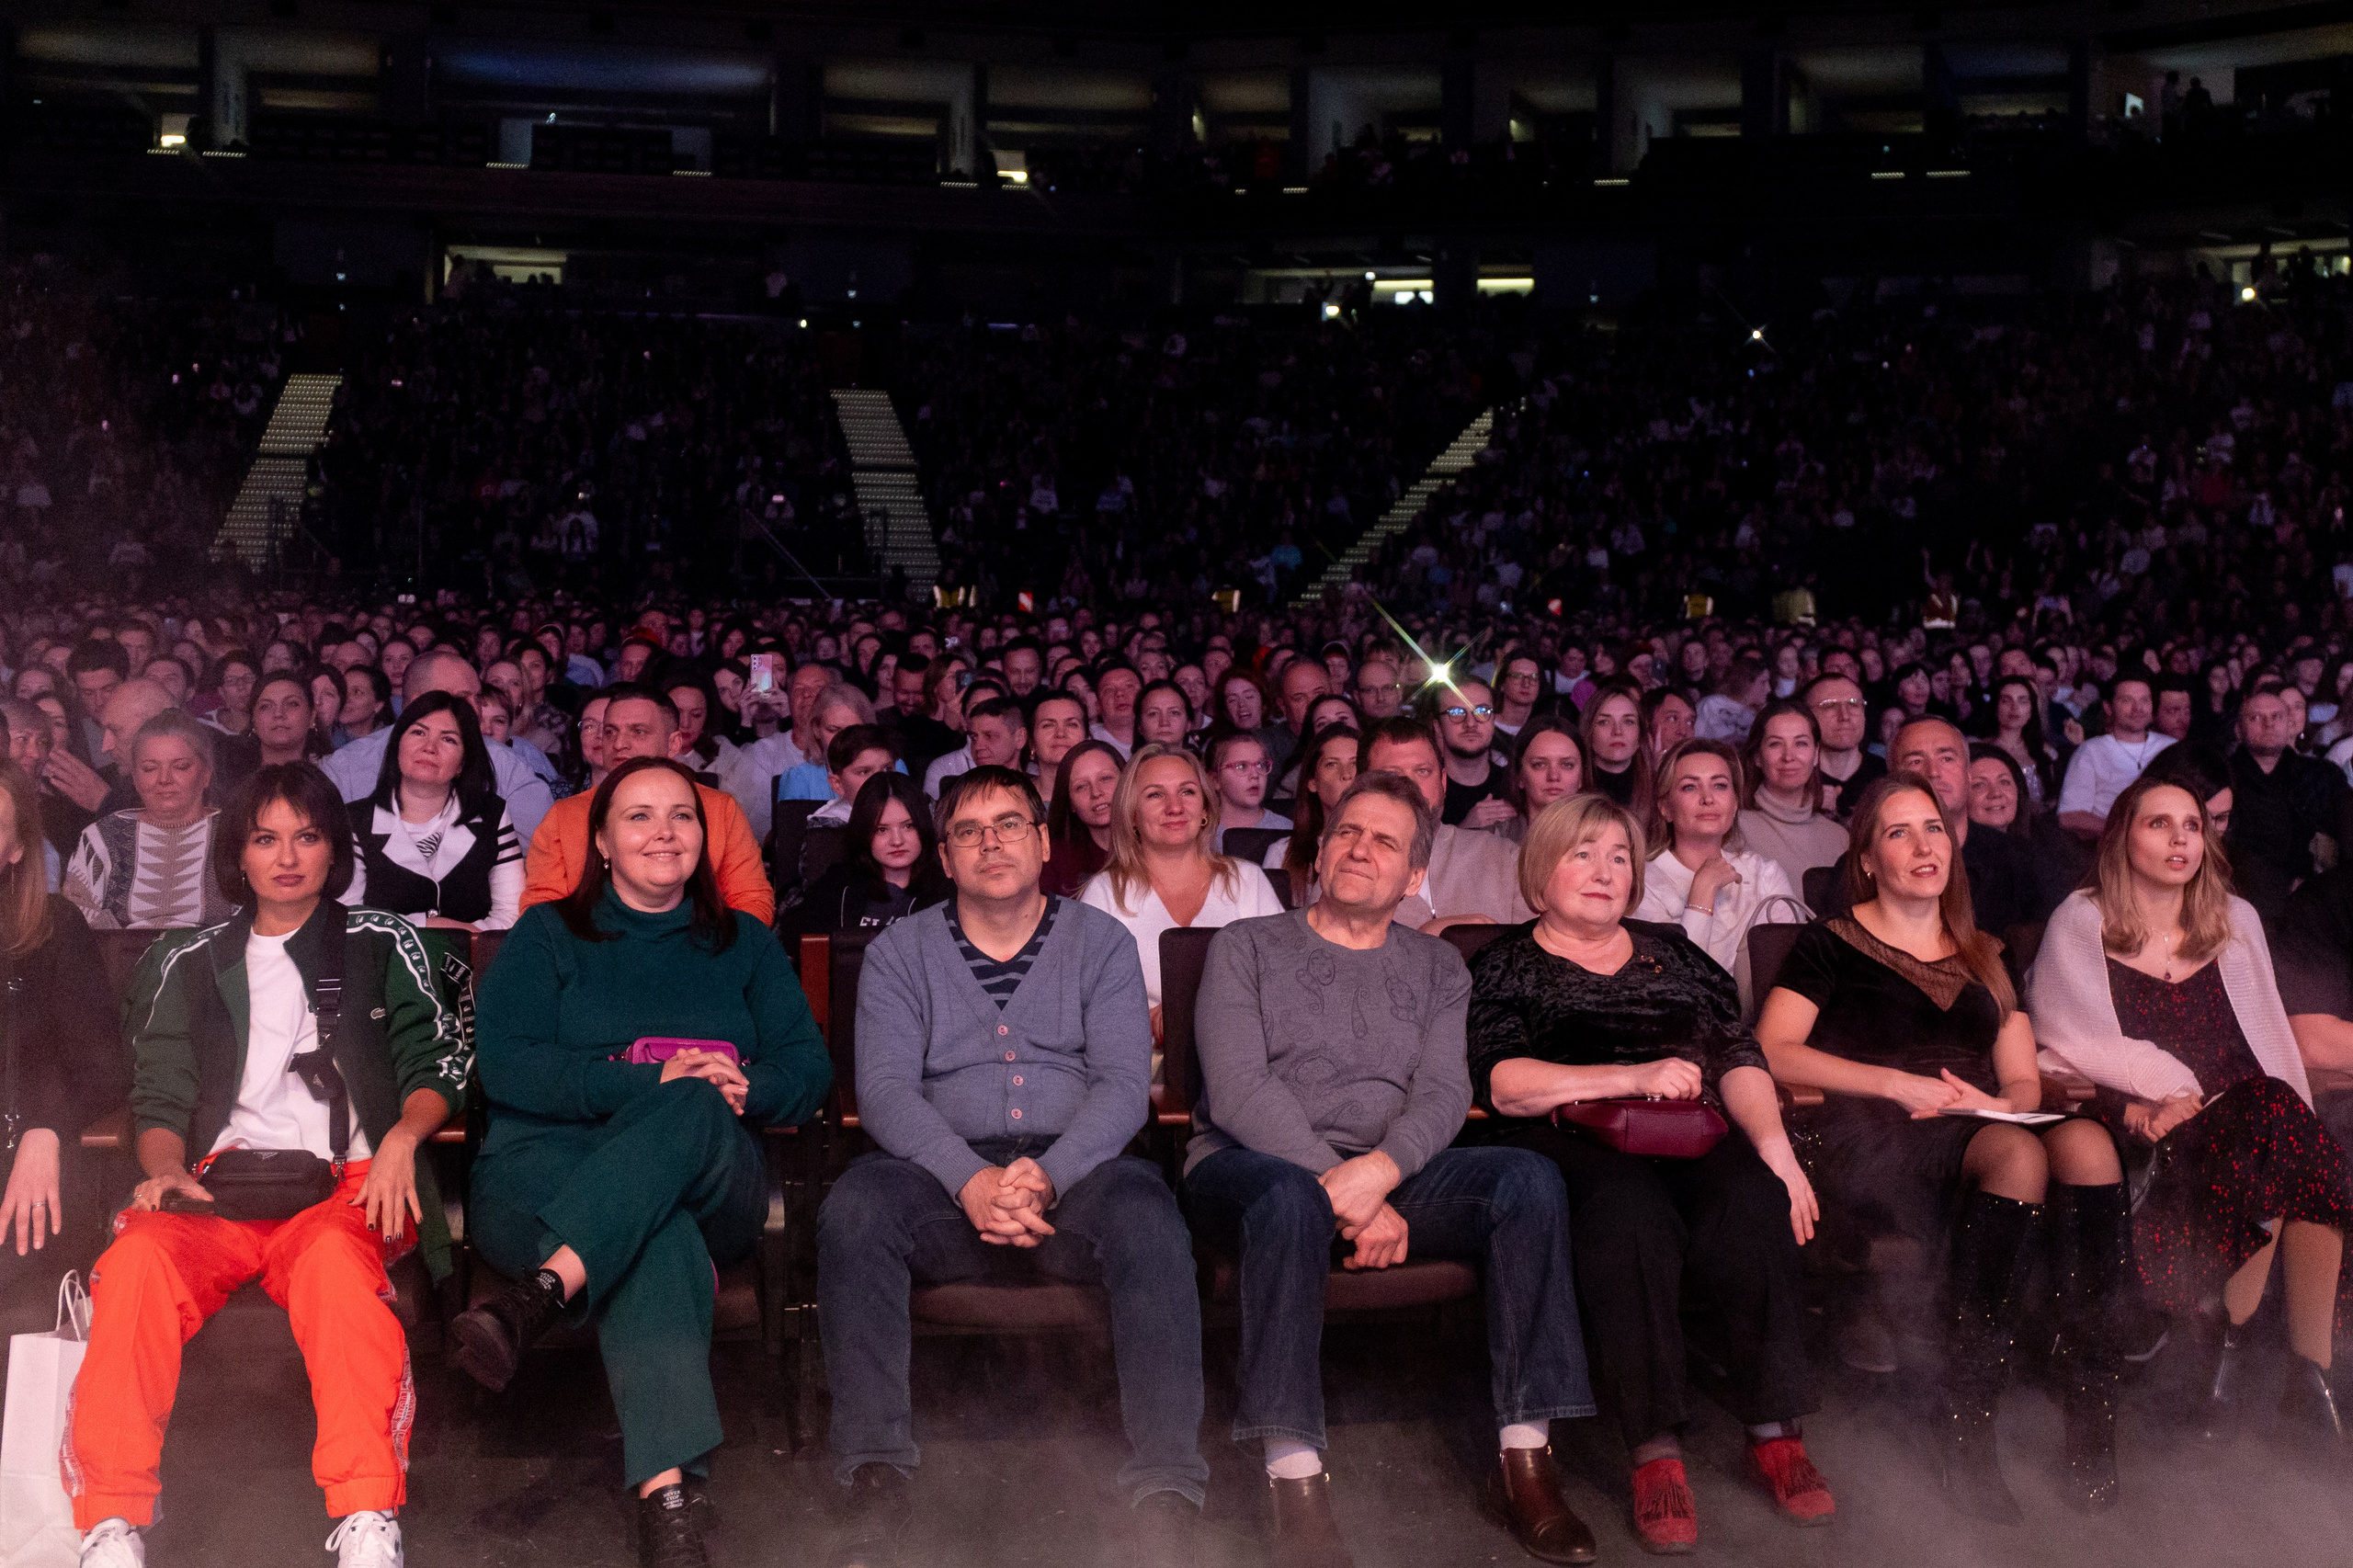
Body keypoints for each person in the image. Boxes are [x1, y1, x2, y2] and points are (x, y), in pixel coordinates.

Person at [1183, 773, 1597, 1568]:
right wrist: (1344, 1191)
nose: (1359, 849)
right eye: (1347, 832)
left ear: (1413, 878)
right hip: (1252, 1169)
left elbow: (1445, 1091)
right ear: (1320, 848)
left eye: (1384, 841)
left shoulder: (1440, 969)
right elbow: (1237, 1092)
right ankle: (1293, 1476)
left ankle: (1524, 1460)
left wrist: (1378, 1174)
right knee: (1287, 1199)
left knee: (1527, 1182)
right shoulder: (1247, 946)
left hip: (1387, 1174)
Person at [68, 764, 466, 1568]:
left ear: (333, 850)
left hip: (349, 1184)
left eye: (308, 837)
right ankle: (111, 1521)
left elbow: (442, 1063)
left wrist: (399, 1141)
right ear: (237, 856)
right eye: (264, 838)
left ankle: (365, 1513)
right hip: (217, 1187)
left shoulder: (383, 942)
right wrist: (165, 1165)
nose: (287, 857)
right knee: (136, 1260)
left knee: (332, 1269)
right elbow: (160, 1093)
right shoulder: (191, 957)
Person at [815, 767, 1209, 1568]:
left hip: (1081, 1175)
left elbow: (1126, 1087)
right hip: (937, 1178)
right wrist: (971, 1180)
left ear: (1041, 841)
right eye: (968, 830)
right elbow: (885, 1092)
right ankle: (876, 1468)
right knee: (854, 1209)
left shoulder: (1100, 943)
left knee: (1151, 1218)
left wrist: (1047, 1174)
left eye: (1009, 824)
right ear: (945, 857)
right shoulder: (900, 952)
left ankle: (1168, 1478)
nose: (991, 842)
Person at [456, 756, 832, 1568]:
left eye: (683, 816)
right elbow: (509, 1067)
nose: (664, 832)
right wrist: (645, 1079)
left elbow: (808, 1068)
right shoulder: (547, 935)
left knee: (694, 1099)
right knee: (657, 1235)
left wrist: (744, 1084)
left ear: (706, 835)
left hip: (710, 1173)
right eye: (639, 816)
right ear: (600, 841)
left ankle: (542, 1293)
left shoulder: (744, 943)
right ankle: (668, 1509)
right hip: (540, 1175)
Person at [1755, 775, 2127, 1519]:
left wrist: (2001, 1102)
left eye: (1934, 828)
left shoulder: (1985, 950)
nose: (1925, 845)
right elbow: (1772, 1050)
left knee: (2088, 1142)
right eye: (1899, 832)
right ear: (1867, 859)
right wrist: (1894, 1084)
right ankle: (1968, 1416)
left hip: (1978, 1122)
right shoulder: (1829, 943)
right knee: (2020, 1157)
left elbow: (2022, 1080)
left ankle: (2090, 1393)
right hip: (1873, 1130)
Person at [1467, 794, 1830, 1550]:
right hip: (1570, 1140)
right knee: (1628, 1214)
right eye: (1582, 854)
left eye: (1620, 857)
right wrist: (1629, 1077)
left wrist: (1778, 1152)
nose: (1604, 871)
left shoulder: (1679, 955)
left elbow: (1738, 1057)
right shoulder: (1503, 961)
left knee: (1754, 1197)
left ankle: (1775, 1430)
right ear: (1542, 870)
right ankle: (1655, 1453)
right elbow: (1503, 1082)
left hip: (1687, 1132)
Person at [2027, 774, 2350, 1446]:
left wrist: (2284, 1108)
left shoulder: (2236, 920)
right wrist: (2165, 1090)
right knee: (2281, 1127)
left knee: (2283, 1124)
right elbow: (2065, 1035)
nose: (2180, 839)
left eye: (2193, 826)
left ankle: (2301, 1364)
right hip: (2154, 1122)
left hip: (2251, 1112)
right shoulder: (2082, 918)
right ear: (2122, 836)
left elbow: (2270, 1040)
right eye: (2159, 824)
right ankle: (2252, 1356)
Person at [0, 762, 128, 1293]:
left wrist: (44, 1129)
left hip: (20, 1149)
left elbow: (101, 1065)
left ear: (16, 850)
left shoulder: (53, 927)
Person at [522, 687, 772, 925]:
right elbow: (542, 909)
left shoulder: (720, 810)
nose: (619, 744)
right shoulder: (565, 815)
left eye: (638, 732)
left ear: (674, 744)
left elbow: (752, 902)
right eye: (610, 732)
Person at [1080, 742, 1283, 1033]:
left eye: (1187, 791)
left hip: (1242, 1051)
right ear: (1133, 815)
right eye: (1155, 795)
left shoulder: (1249, 881)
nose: (1174, 807)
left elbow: (1282, 984)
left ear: (1204, 809)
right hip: (1143, 1064)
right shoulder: (1105, 893)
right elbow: (1086, 1003)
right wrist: (1148, 1021)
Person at [320, 648, 553, 845]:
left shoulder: (506, 764)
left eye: (478, 699)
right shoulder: (346, 767)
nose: (476, 711)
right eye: (460, 699)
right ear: (415, 702)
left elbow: (539, 847)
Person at [1632, 739, 1804, 989]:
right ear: (1665, 808)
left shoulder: (1765, 873)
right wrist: (1702, 892)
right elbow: (1673, 986)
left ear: (1734, 804)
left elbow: (1796, 972)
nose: (1708, 798)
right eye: (1690, 787)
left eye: (1720, 786)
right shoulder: (1643, 884)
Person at [346, 692, 523, 932]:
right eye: (418, 733)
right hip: (385, 967)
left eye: (448, 740)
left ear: (462, 763)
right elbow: (348, 919)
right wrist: (428, 925)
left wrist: (456, 942)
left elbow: (512, 916)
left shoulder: (493, 814)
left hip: (476, 965)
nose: (429, 748)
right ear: (397, 744)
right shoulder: (355, 821)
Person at [62, 710, 235, 930]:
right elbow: (77, 923)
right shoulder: (100, 838)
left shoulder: (235, 834)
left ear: (206, 773)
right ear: (134, 777)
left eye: (180, 766)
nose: (164, 779)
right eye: (150, 768)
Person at [1359, 718, 1531, 931]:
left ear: (1443, 781)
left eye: (1422, 771)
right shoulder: (1346, 871)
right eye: (1392, 776)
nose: (1410, 786)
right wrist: (1428, 938)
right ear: (1361, 787)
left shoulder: (1504, 858)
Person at [2228, 681, 2353, 925]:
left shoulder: (2324, 775)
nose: (2269, 723)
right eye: (2255, 718)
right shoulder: (2221, 776)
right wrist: (2282, 884)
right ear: (2238, 730)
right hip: (2243, 901)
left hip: (2319, 898)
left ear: (2290, 725)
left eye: (2277, 716)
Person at [787, 772, 952, 937]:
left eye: (908, 826)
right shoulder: (839, 885)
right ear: (864, 832)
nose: (897, 841)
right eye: (882, 829)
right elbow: (794, 935)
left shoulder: (947, 890)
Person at [1737, 699, 1848, 897]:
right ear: (1757, 757)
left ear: (1815, 755)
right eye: (1775, 744)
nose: (1789, 756)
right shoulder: (1734, 828)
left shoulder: (1839, 838)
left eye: (1801, 743)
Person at [2056, 674, 2174, 840]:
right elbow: (2070, 816)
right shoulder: (2091, 751)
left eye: (2144, 701)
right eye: (2127, 700)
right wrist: (2127, 830)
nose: (2138, 709)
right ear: (2108, 707)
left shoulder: (2171, 747)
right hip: (2110, 847)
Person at [1267, 722, 1360, 904]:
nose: (1347, 774)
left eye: (1355, 763)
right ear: (1312, 782)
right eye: (1332, 764)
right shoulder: (1282, 853)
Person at [1039, 738, 1120, 898]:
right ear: (1071, 803)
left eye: (1105, 778)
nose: (1096, 792)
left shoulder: (1155, 843)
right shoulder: (1055, 860)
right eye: (1081, 787)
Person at [1432, 678, 1514, 829]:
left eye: (1482, 711)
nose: (1470, 723)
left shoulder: (1513, 786)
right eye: (1456, 712)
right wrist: (1465, 831)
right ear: (1438, 727)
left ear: (1493, 720)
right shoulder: (1425, 789)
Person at [1802, 673, 1881, 821]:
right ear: (1806, 717)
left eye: (1853, 704)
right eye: (1830, 705)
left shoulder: (1887, 777)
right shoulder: (1795, 780)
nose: (1845, 716)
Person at [1498, 716, 1585, 844]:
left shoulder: (1605, 835)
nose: (1554, 776)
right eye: (1539, 765)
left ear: (1581, 777)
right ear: (1520, 776)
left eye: (1567, 765)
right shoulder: (1494, 837)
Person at [1206, 729, 1291, 854]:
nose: (1255, 774)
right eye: (1241, 766)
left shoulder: (1286, 829)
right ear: (1215, 780)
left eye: (1260, 765)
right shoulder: (1201, 833)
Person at [1579, 680, 1645, 809]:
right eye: (1604, 722)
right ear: (1589, 731)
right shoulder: (1572, 791)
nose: (1617, 731)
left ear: (1640, 734)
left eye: (1628, 722)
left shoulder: (1657, 790)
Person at [1694, 654, 1770, 744]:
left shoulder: (1759, 714)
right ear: (1747, 683)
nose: (1768, 689)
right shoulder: (1711, 704)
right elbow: (1695, 737)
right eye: (1763, 682)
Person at [1092, 662, 1143, 756]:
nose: (1119, 693)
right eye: (1109, 690)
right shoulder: (1088, 742)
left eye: (1128, 686)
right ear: (1098, 706)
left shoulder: (1161, 735)